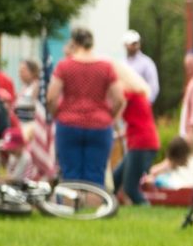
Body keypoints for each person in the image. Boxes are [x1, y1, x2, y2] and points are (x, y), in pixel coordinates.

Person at [48, 28, 124, 187]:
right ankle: (93, 210)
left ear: (74, 43)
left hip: (68, 123)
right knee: (95, 174)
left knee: (70, 173)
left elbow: (51, 97)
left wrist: (57, 114)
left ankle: (71, 208)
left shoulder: (64, 66)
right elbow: (119, 98)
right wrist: (109, 115)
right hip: (99, 125)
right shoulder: (106, 66)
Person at [111, 61, 158, 205]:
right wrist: (119, 135)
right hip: (142, 143)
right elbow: (138, 123)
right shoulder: (137, 94)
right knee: (114, 181)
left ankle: (146, 209)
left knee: (131, 188)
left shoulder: (128, 94)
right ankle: (109, 208)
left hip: (141, 145)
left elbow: (116, 107)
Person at [123, 30, 159, 103]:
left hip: (141, 104)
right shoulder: (122, 63)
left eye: (136, 43)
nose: (135, 46)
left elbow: (154, 87)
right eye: (132, 44)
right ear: (125, 45)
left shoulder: (147, 63)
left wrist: (146, 103)